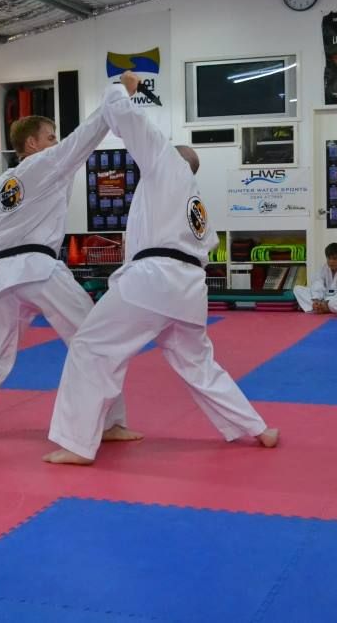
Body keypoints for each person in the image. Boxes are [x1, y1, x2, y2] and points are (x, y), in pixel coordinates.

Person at [43, 73, 278, 465]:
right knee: (198, 364)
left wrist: (122, 89)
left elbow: (125, 117)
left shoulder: (165, 161)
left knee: (89, 347)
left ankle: (77, 443)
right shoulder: (195, 202)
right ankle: (257, 428)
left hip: (153, 281)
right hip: (189, 289)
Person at [0, 101, 131, 442]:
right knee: (93, 339)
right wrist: (116, 97)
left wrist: (5, 256)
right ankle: (110, 423)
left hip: (5, 277)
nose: (56, 143)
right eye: (51, 137)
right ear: (33, 144)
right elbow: (84, 138)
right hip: (40, 270)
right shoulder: (44, 164)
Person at [293, 242, 337, 313]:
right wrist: (316, 299)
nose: (331, 261)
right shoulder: (324, 268)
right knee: (297, 289)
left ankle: (323, 307)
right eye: (329, 258)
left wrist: (327, 301)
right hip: (323, 297)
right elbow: (318, 283)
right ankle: (318, 306)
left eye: (334, 259)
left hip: (335, 299)